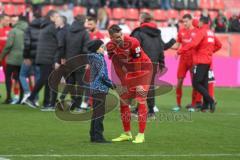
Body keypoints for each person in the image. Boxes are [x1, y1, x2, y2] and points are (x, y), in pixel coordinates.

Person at [107, 24, 153, 143]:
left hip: (143, 69)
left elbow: (137, 62)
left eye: (121, 35)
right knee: (123, 101)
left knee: (141, 98)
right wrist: (122, 82)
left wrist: (137, 81)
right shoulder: (110, 46)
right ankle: (127, 133)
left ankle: (141, 134)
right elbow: (116, 65)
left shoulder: (133, 41)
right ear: (111, 37)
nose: (120, 38)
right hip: (129, 73)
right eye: (117, 37)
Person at [131, 12, 176, 118]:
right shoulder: (157, 33)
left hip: (142, 62)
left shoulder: (139, 32)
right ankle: (147, 110)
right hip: (154, 63)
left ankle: (148, 110)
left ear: (142, 20)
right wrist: (161, 62)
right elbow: (162, 48)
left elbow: (134, 47)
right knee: (149, 87)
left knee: (141, 87)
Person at [177, 17, 222, 113]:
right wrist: (210, 52)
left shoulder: (202, 32)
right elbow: (219, 45)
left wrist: (181, 50)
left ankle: (211, 100)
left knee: (196, 83)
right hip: (208, 61)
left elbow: (193, 44)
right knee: (204, 84)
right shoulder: (210, 32)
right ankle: (205, 106)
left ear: (201, 23)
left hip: (201, 61)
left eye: (199, 23)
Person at [25, 10, 60, 110]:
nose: (58, 19)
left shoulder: (45, 26)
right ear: (52, 18)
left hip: (43, 56)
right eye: (57, 16)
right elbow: (59, 41)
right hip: (47, 57)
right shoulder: (52, 27)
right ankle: (31, 98)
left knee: (48, 80)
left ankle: (46, 103)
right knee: (44, 79)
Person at [87, 39, 115, 143]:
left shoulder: (93, 58)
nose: (104, 49)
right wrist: (112, 85)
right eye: (102, 47)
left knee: (96, 113)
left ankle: (93, 135)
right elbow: (102, 75)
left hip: (94, 88)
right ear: (96, 48)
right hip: (100, 88)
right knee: (99, 113)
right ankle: (98, 137)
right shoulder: (99, 58)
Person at [61, 15, 90, 111]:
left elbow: (63, 45)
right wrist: (86, 62)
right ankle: (78, 105)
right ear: (82, 22)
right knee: (81, 84)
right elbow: (85, 49)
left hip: (69, 61)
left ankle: (73, 102)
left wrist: (63, 57)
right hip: (79, 62)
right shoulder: (84, 33)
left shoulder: (68, 31)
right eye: (86, 21)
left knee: (70, 83)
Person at [171, 14, 199, 112]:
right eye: (183, 22)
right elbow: (177, 45)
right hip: (183, 60)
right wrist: (165, 45)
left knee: (194, 83)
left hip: (193, 60)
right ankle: (178, 105)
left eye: (186, 21)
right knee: (179, 82)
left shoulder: (197, 31)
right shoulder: (181, 31)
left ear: (191, 20)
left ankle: (193, 104)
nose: (185, 23)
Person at [0, 16, 28, 104]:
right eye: (7, 20)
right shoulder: (26, 30)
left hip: (10, 58)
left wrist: (1, 56)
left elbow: (8, 45)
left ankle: (9, 97)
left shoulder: (12, 30)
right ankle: (22, 98)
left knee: (9, 77)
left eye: (11, 20)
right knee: (21, 77)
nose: (10, 21)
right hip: (22, 58)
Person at [20, 12, 42, 104]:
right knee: (37, 76)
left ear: (33, 18)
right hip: (39, 56)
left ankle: (27, 92)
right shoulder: (43, 28)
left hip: (30, 56)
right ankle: (36, 99)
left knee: (22, 74)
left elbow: (27, 43)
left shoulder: (29, 28)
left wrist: (26, 56)